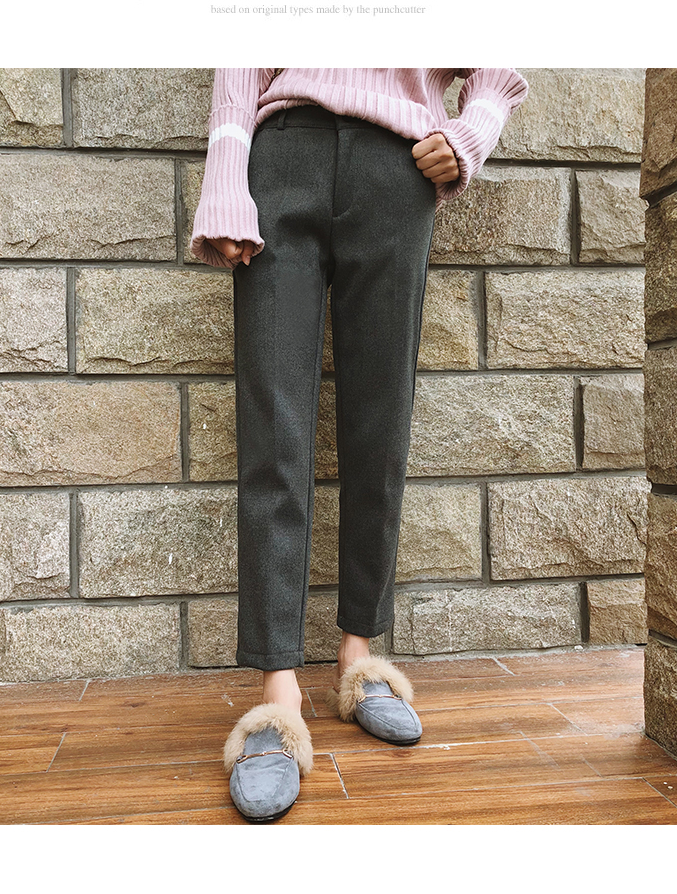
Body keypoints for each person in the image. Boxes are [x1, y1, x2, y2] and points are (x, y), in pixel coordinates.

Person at [190, 67, 529, 822]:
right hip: (283, 155)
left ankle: (360, 653)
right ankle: (277, 693)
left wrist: (470, 136)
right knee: (272, 427)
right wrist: (225, 177)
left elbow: (497, 67)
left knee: (381, 425)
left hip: (396, 168)